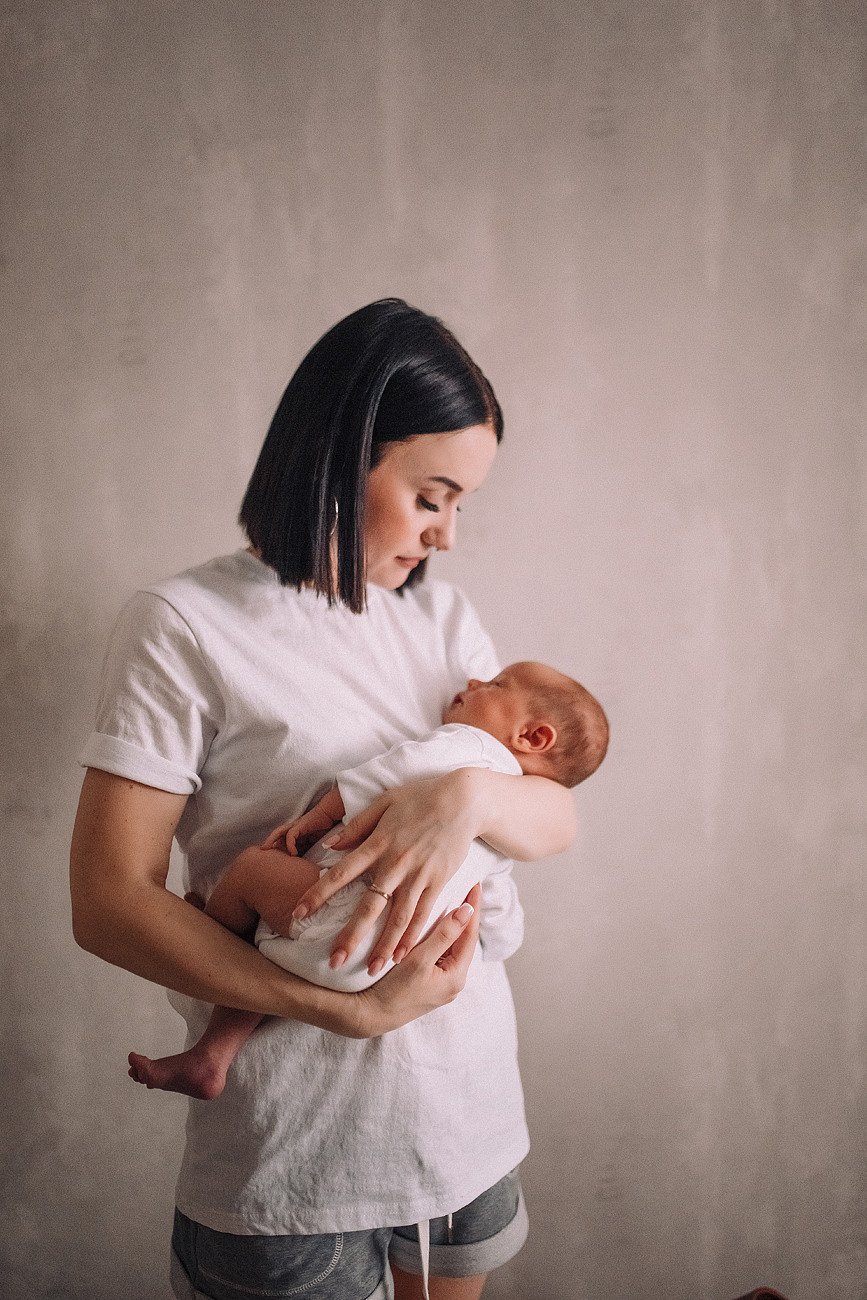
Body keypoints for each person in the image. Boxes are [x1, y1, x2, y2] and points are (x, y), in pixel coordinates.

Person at [70, 299, 579, 1300]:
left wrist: (465, 798)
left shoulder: (445, 624)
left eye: (461, 504)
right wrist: (339, 1011)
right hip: (293, 1160)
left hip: (466, 1125)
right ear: (344, 457)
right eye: (432, 496)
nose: (447, 534)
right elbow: (107, 902)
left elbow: (555, 815)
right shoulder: (184, 624)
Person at [126, 661, 609, 1101]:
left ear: (533, 737)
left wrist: (317, 818)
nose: (474, 681)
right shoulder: (509, 824)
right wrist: (490, 939)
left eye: (496, 684)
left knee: (252, 869)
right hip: (391, 963)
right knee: (275, 949)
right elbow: (499, 917)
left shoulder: (470, 745)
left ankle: (214, 931)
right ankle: (211, 1059)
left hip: (337, 918)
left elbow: (385, 773)